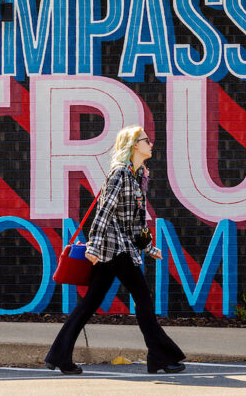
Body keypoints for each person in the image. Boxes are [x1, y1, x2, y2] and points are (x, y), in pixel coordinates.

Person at [45, 125, 186, 375]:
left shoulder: (138, 174)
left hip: (121, 248)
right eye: (146, 140)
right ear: (133, 145)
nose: (150, 144)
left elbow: (136, 221)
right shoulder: (120, 174)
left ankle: (59, 355)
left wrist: (149, 247)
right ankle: (160, 355)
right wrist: (95, 246)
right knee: (142, 297)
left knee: (90, 302)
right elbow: (103, 212)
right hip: (113, 248)